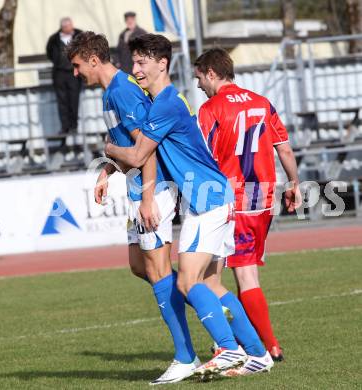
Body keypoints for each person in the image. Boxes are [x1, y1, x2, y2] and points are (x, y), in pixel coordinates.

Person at [104, 33, 265, 379]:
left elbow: (136, 154)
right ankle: (257, 352)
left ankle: (228, 349)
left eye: (141, 62)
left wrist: (108, 150)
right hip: (213, 197)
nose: (135, 70)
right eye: (134, 63)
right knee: (210, 285)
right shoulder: (164, 101)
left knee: (186, 282)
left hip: (206, 200)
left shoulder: (165, 104)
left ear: (162, 63)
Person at [66, 31, 200, 385]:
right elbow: (127, 144)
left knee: (158, 272)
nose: (76, 73)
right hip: (139, 187)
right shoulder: (113, 91)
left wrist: (146, 198)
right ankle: (212, 309)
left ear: (93, 60)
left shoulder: (123, 90)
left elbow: (147, 146)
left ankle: (187, 355)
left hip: (151, 189)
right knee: (140, 267)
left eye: (78, 66)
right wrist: (107, 172)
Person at [194, 48, 302, 374]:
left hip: (234, 199)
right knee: (245, 269)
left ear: (212, 73)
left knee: (238, 274)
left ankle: (269, 348)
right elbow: (283, 147)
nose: (198, 84)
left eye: (199, 77)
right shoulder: (262, 102)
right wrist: (294, 182)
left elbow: (204, 157)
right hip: (264, 198)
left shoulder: (211, 109)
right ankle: (247, 340)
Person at [46, 17, 82, 135]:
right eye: (67, 26)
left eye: (71, 25)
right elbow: (49, 53)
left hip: (74, 72)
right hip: (59, 73)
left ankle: (74, 126)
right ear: (63, 27)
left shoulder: (79, 35)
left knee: (74, 100)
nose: (70, 28)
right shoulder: (54, 39)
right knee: (62, 101)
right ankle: (64, 127)